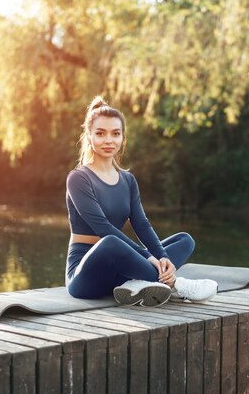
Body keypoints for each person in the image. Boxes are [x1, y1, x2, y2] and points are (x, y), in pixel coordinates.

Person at [65, 96, 217, 306]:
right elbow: (103, 227)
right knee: (110, 242)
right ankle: (175, 285)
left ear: (122, 137)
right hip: (85, 274)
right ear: (89, 136)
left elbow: (142, 224)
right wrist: (148, 256)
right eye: (100, 133)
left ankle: (137, 282)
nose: (109, 140)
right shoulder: (78, 178)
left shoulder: (127, 180)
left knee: (185, 240)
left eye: (115, 134)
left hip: (121, 267)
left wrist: (163, 257)